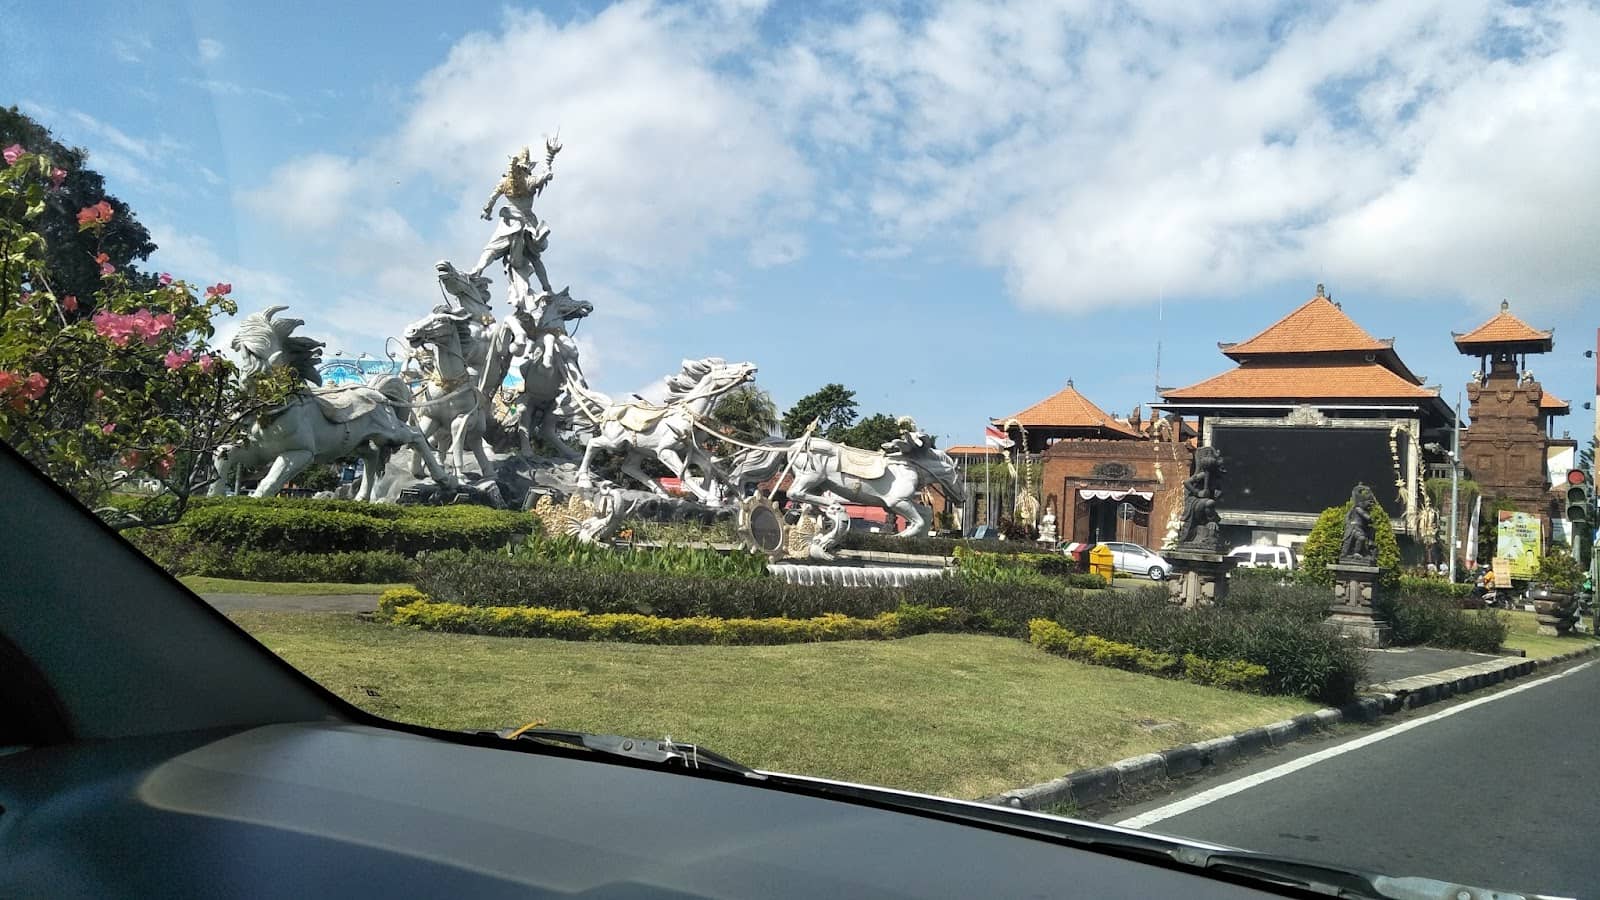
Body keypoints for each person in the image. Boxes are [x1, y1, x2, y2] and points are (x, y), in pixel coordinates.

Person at [469, 138, 562, 303]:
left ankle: (477, 270)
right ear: (527, 168)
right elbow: (546, 176)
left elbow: (492, 198)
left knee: (491, 249)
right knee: (534, 257)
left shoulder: (505, 182)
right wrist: (550, 156)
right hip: (527, 223)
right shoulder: (529, 182)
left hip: (509, 222)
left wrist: (487, 210)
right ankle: (547, 288)